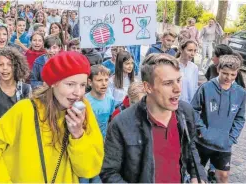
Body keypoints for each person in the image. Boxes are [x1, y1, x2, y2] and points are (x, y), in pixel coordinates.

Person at [0, 51, 104, 183]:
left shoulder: (84, 111)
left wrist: (78, 135)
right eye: (70, 84)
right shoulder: (25, 109)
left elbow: (88, 170)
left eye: (83, 85)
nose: (78, 92)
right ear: (54, 83)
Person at [100, 53, 207, 183]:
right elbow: (109, 172)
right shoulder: (122, 123)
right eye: (168, 83)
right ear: (148, 87)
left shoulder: (185, 112)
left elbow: (190, 149)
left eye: (178, 80)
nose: (178, 89)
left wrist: (198, 176)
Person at [191, 55, 246, 183]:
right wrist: (202, 130)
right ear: (218, 69)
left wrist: (232, 137)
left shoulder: (241, 93)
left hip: (224, 145)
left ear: (237, 72)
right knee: (196, 178)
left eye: (233, 74)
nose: (229, 78)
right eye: (225, 73)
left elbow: (240, 118)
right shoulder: (206, 88)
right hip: (202, 142)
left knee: (223, 177)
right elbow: (193, 109)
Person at [86, 64, 115, 138]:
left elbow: (111, 120)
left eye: (106, 80)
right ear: (90, 82)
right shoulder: (85, 101)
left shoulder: (110, 99)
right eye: (99, 80)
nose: (104, 84)